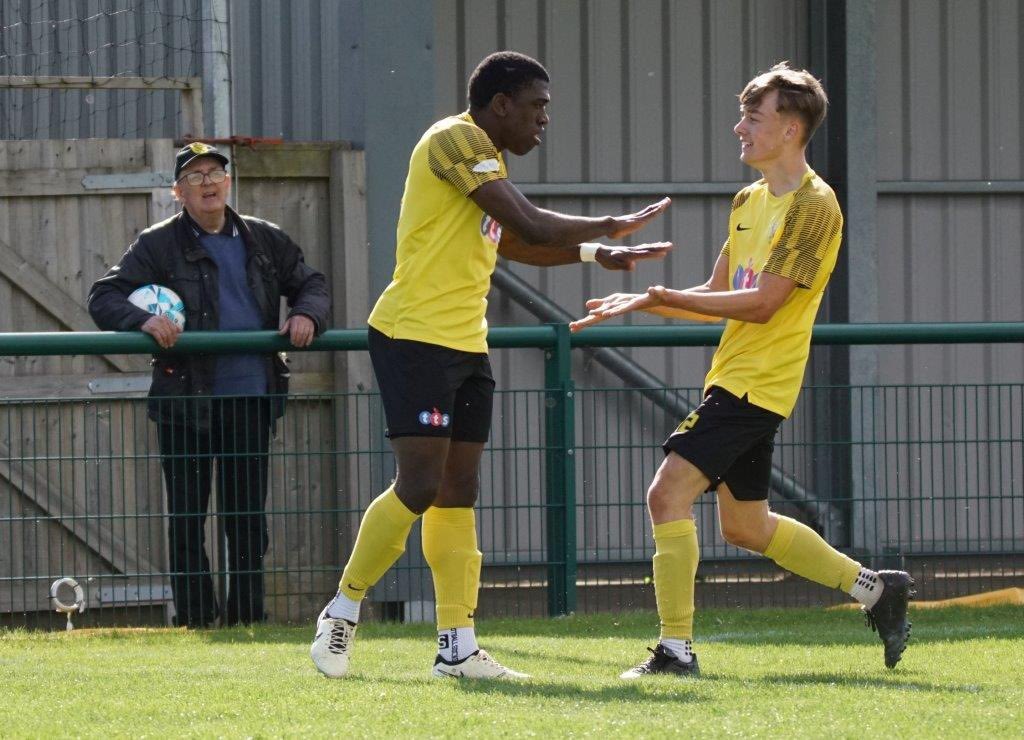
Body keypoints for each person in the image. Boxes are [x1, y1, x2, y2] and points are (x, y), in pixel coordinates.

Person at [310, 51, 672, 680]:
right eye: (538, 106)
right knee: (420, 485)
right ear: (500, 103)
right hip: (413, 336)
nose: (544, 120)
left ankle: (457, 646)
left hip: (467, 344)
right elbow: (527, 220)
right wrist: (610, 224)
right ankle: (341, 611)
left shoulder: (489, 159)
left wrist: (592, 252)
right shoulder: (456, 139)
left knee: (459, 490)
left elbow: (515, 241)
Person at [570, 63, 915, 677]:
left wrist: (660, 296)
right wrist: (645, 302)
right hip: (733, 379)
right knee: (746, 527)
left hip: (759, 386)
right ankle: (877, 590)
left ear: (790, 128)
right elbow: (718, 294)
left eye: (752, 119)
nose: (739, 129)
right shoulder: (747, 201)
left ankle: (675, 651)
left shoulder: (816, 205)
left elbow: (764, 304)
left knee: (665, 493)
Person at [88, 142, 330, 628]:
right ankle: (196, 621)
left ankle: (247, 620)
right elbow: (104, 296)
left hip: (251, 397)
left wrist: (307, 314)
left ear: (228, 182)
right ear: (178, 192)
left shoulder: (265, 239)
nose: (208, 183)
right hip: (184, 400)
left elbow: (312, 284)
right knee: (186, 521)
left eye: (215, 172)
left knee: (246, 521)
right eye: (195, 176)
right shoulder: (157, 244)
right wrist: (142, 321)